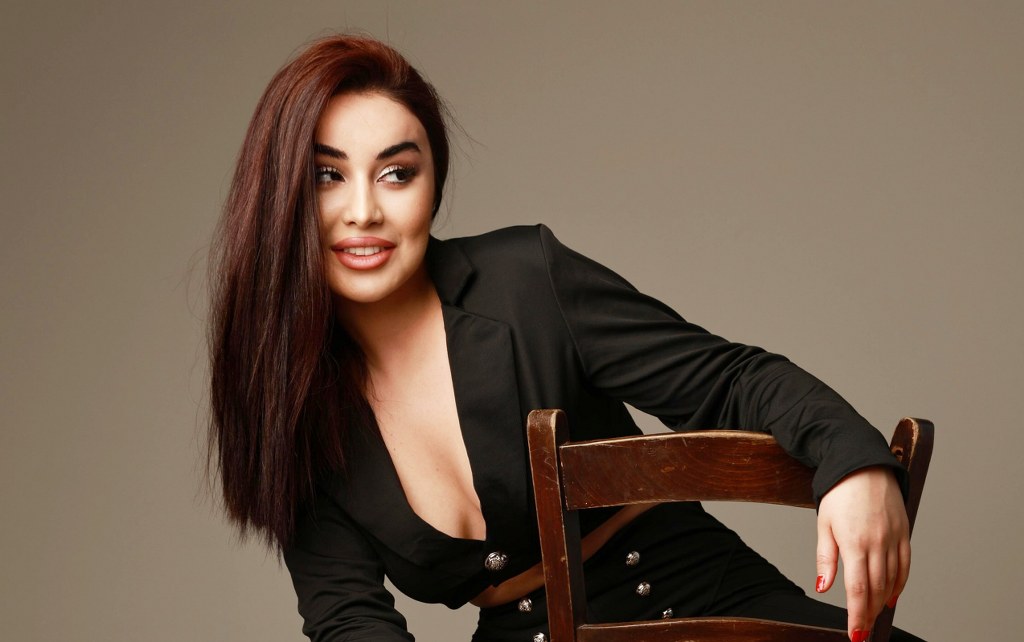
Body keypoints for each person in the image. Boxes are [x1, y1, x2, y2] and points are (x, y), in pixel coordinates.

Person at [208, 35, 922, 642]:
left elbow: (730, 381)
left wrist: (852, 461)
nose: (363, 210)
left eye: (397, 173)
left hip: (699, 599)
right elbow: (348, 618)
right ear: (279, 195)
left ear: (432, 187)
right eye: (327, 176)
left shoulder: (525, 280)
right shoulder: (286, 406)